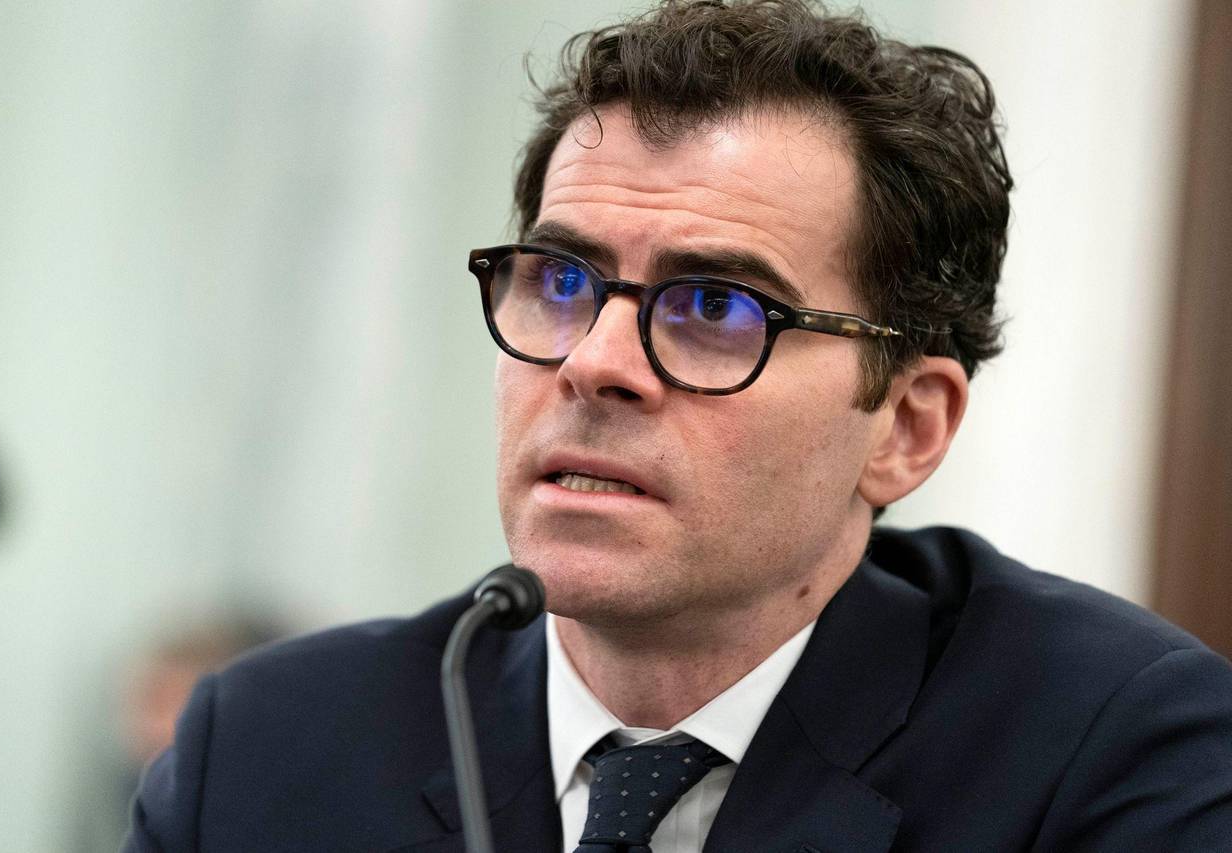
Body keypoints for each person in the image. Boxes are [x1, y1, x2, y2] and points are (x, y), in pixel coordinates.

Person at [124, 1, 1232, 850]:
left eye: (714, 307)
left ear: (904, 426)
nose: (594, 363)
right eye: (560, 282)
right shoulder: (264, 751)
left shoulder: (1112, 757)